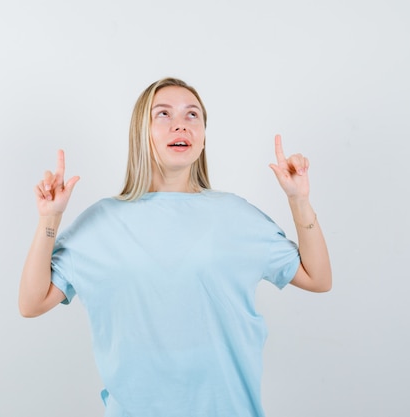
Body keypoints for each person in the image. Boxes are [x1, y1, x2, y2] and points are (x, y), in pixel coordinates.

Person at [18, 77, 332, 417]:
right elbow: (32, 303)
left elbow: (317, 278)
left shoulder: (235, 215)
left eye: (192, 115)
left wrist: (299, 201)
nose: (180, 123)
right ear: (141, 132)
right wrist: (49, 220)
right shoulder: (100, 223)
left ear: (203, 137)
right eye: (163, 114)